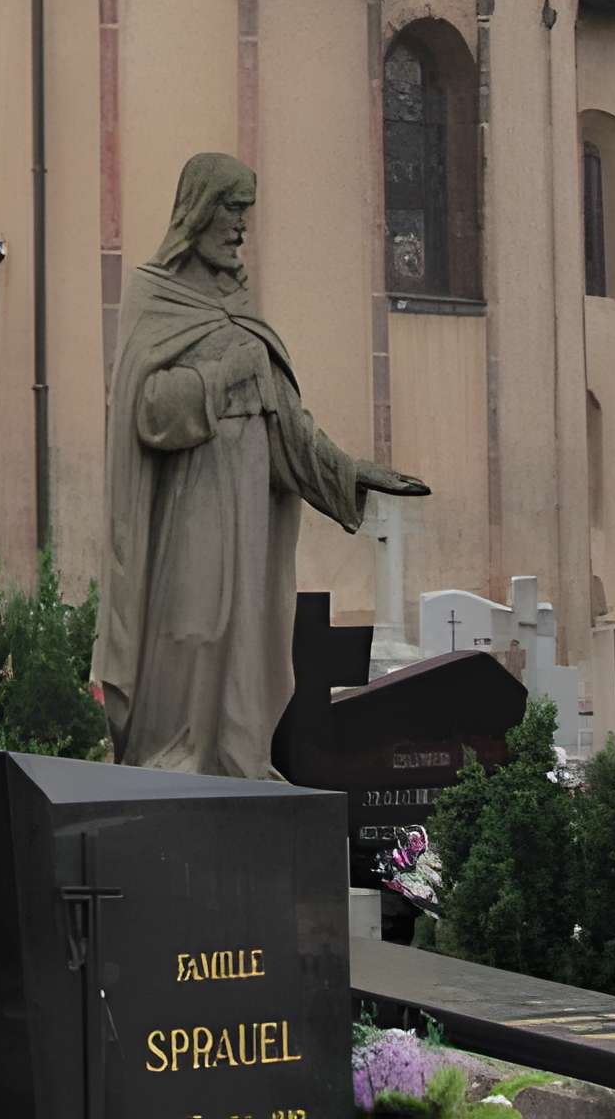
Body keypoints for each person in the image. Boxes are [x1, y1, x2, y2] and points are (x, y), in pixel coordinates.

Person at [97, 151, 428, 775]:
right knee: (191, 624)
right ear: (198, 210)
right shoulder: (155, 294)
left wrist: (352, 471)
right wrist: (222, 377)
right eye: (231, 209)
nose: (241, 226)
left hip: (250, 501)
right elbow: (148, 412)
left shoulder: (242, 306)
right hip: (191, 500)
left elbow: (288, 425)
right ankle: (172, 755)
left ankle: (233, 757)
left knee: (243, 635)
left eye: (246, 212)